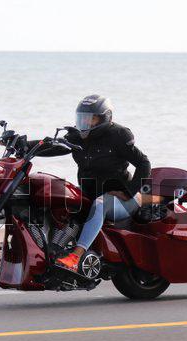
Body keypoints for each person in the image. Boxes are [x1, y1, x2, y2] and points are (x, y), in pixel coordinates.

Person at [53, 94, 151, 272]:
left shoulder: (118, 135)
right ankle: (54, 250)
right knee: (63, 198)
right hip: (92, 193)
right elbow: (53, 147)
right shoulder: (77, 137)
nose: (85, 122)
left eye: (91, 118)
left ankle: (75, 257)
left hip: (124, 200)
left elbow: (144, 164)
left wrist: (128, 192)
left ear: (105, 118)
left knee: (100, 204)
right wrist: (23, 145)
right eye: (82, 118)